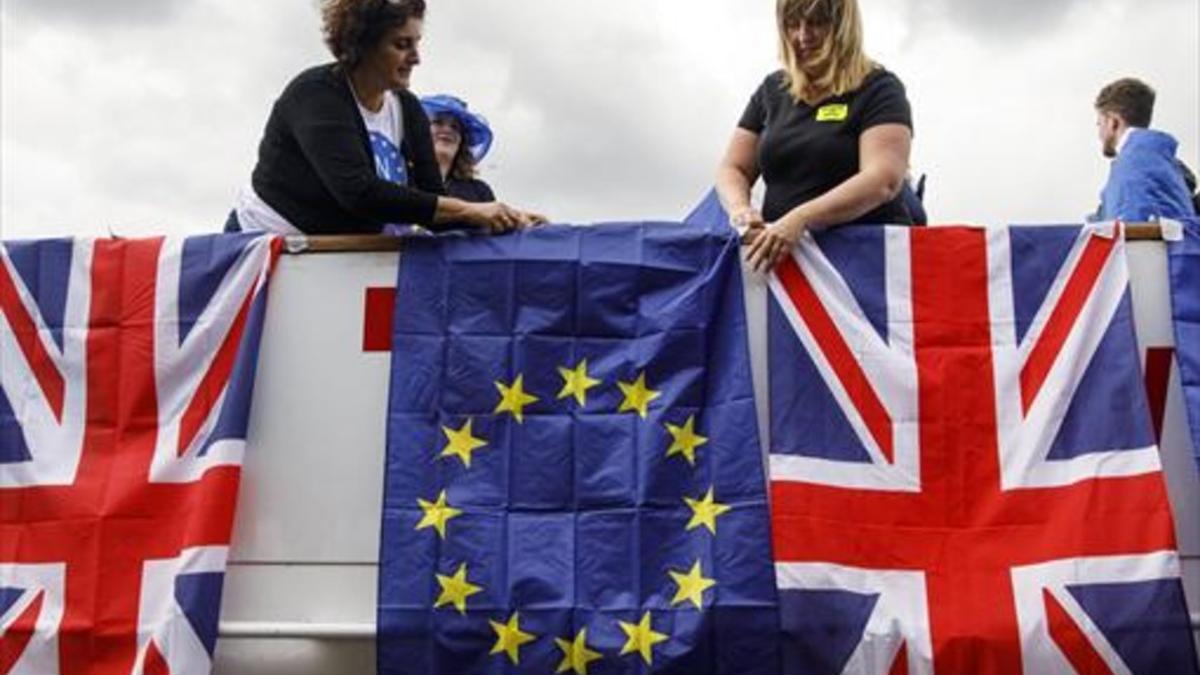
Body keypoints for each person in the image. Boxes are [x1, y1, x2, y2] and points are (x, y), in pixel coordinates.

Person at [227, 0, 541, 235]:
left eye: (416, 44)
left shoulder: (408, 108)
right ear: (362, 44)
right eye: (402, 45)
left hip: (335, 257)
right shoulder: (315, 94)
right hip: (264, 246)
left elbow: (433, 205)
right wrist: (471, 210)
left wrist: (507, 220)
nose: (416, 58)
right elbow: (360, 193)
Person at [716, 0, 913, 272]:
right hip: (787, 268)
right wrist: (740, 210)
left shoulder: (880, 88)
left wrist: (802, 218)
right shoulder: (771, 90)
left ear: (843, 27)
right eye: (793, 24)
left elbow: (883, 179)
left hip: (865, 264)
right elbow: (733, 168)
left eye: (816, 23)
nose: (803, 36)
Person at [1092, 77, 1196, 223]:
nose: (1099, 134)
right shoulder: (1169, 168)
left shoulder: (1131, 167)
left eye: (1099, 124)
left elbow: (1134, 232)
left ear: (1113, 122)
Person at [422, 95, 496, 203]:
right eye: (438, 122)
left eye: (455, 127)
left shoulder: (479, 191)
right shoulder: (402, 178)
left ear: (462, 142)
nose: (447, 130)